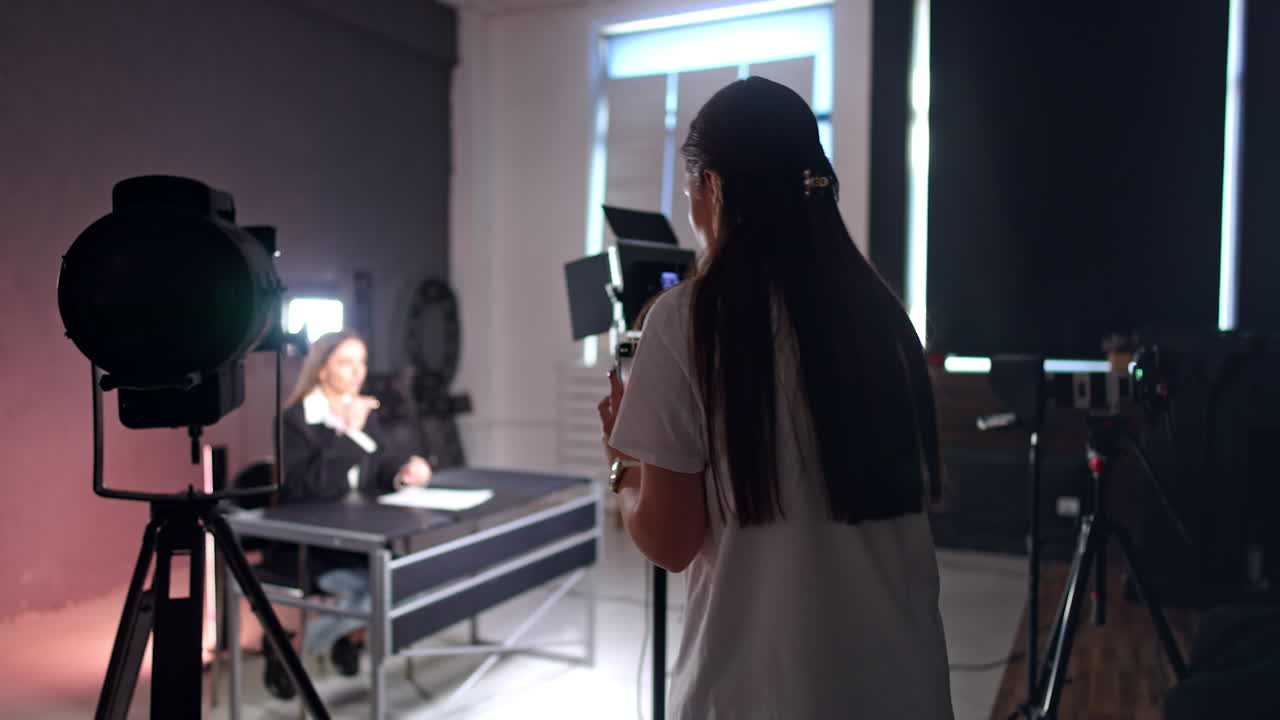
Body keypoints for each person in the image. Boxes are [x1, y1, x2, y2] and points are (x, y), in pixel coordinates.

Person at [598, 77, 954, 719]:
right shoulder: (883, 318)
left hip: (756, 693)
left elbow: (671, 541)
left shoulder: (688, 321)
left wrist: (623, 464)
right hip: (904, 686)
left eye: (691, 193)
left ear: (712, 186)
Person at [263, 330, 432, 697]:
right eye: (346, 362)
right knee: (377, 588)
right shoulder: (295, 420)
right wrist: (348, 431)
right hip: (310, 545)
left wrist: (404, 473)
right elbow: (310, 487)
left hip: (359, 537)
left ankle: (345, 634)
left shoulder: (362, 409)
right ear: (322, 370)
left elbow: (381, 464)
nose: (357, 372)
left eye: (362, 362)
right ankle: (291, 648)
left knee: (404, 579)